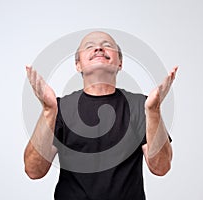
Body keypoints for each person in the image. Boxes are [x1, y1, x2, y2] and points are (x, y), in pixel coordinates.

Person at [24, 31, 178, 200]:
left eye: (107, 45)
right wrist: (48, 111)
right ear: (78, 65)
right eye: (89, 46)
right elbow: (34, 170)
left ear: (120, 63)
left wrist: (154, 111)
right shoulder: (60, 109)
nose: (98, 48)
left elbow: (161, 167)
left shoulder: (140, 106)